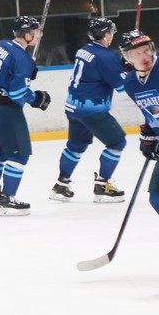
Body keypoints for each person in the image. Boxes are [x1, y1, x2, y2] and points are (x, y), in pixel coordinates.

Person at [0, 17, 52, 216]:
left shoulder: (1, 45)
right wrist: (36, 99)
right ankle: (7, 198)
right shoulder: (22, 58)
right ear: (27, 35)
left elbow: (5, 71)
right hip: (5, 110)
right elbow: (18, 92)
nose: (38, 36)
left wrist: (25, 71)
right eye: (35, 32)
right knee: (19, 155)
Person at [51, 19, 126, 203]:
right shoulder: (107, 56)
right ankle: (102, 185)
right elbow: (122, 86)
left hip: (73, 106)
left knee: (75, 146)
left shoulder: (84, 50)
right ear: (105, 34)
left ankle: (61, 185)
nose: (112, 35)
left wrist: (121, 66)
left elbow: (98, 71)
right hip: (92, 109)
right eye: (110, 32)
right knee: (117, 142)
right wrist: (129, 69)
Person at [118, 31, 159, 219]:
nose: (145, 56)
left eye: (147, 50)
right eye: (138, 53)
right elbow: (153, 110)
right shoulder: (131, 83)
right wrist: (149, 132)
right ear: (128, 57)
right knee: (156, 197)